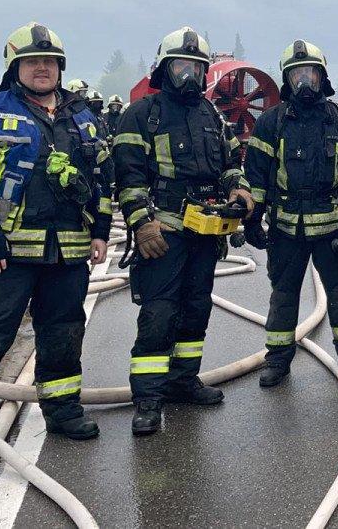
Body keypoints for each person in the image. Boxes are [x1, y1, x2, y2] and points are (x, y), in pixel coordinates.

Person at [0, 22, 111, 460]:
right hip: (5, 254)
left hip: (68, 252)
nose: (42, 68)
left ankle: (63, 410)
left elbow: (102, 179)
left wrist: (101, 231)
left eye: (49, 61)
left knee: (64, 333)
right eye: (32, 62)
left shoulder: (83, 119)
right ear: (15, 67)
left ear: (61, 67)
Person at [112, 27, 253, 436]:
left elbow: (230, 162)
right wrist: (141, 223)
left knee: (196, 308)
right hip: (163, 229)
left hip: (204, 230)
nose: (188, 75)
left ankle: (183, 380)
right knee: (159, 313)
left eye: (195, 67)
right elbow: (128, 176)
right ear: (164, 69)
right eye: (181, 66)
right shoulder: (142, 114)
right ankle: (148, 398)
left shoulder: (211, 115)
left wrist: (238, 188)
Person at [244, 40, 338, 387]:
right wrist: (253, 221)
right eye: (296, 74)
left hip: (331, 229)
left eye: (310, 74)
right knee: (284, 295)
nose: (303, 81)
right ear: (287, 79)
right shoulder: (271, 123)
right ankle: (277, 360)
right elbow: (256, 177)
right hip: (286, 228)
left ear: (321, 77)